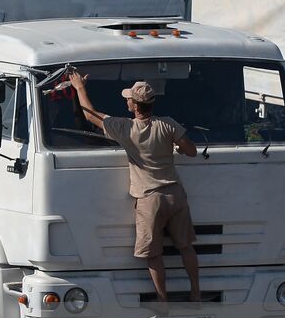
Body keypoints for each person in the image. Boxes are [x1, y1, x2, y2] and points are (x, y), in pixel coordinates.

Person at [68, 72, 201, 303]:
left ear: (135, 106)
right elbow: (191, 150)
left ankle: (162, 300)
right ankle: (196, 294)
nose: (126, 100)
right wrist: (177, 148)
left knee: (153, 254)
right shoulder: (168, 124)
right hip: (175, 194)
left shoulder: (126, 129)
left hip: (150, 197)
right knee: (186, 247)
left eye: (128, 98)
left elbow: (90, 115)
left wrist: (80, 88)